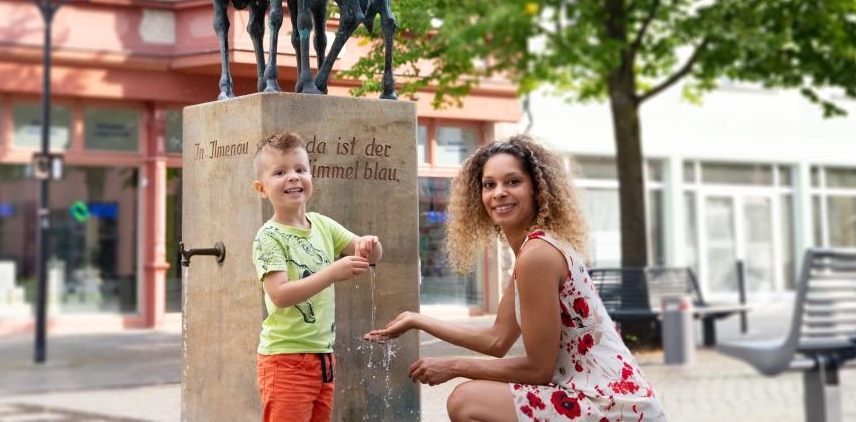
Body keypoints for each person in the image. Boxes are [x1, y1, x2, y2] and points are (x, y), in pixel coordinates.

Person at [365, 135, 665, 421]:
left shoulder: (538, 254)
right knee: (470, 399)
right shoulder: (533, 249)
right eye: (489, 184)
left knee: (466, 401)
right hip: (602, 397)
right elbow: (497, 339)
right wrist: (418, 320)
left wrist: (453, 366)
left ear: (537, 188)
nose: (498, 193)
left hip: (611, 405)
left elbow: (539, 370)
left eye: (513, 182)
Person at [251, 131, 383, 422]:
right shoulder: (269, 237)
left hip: (322, 357)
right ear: (262, 189)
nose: (293, 177)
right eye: (280, 172)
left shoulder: (323, 225)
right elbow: (280, 295)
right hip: (285, 361)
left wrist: (369, 244)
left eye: (300, 169)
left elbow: (370, 256)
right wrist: (331, 273)